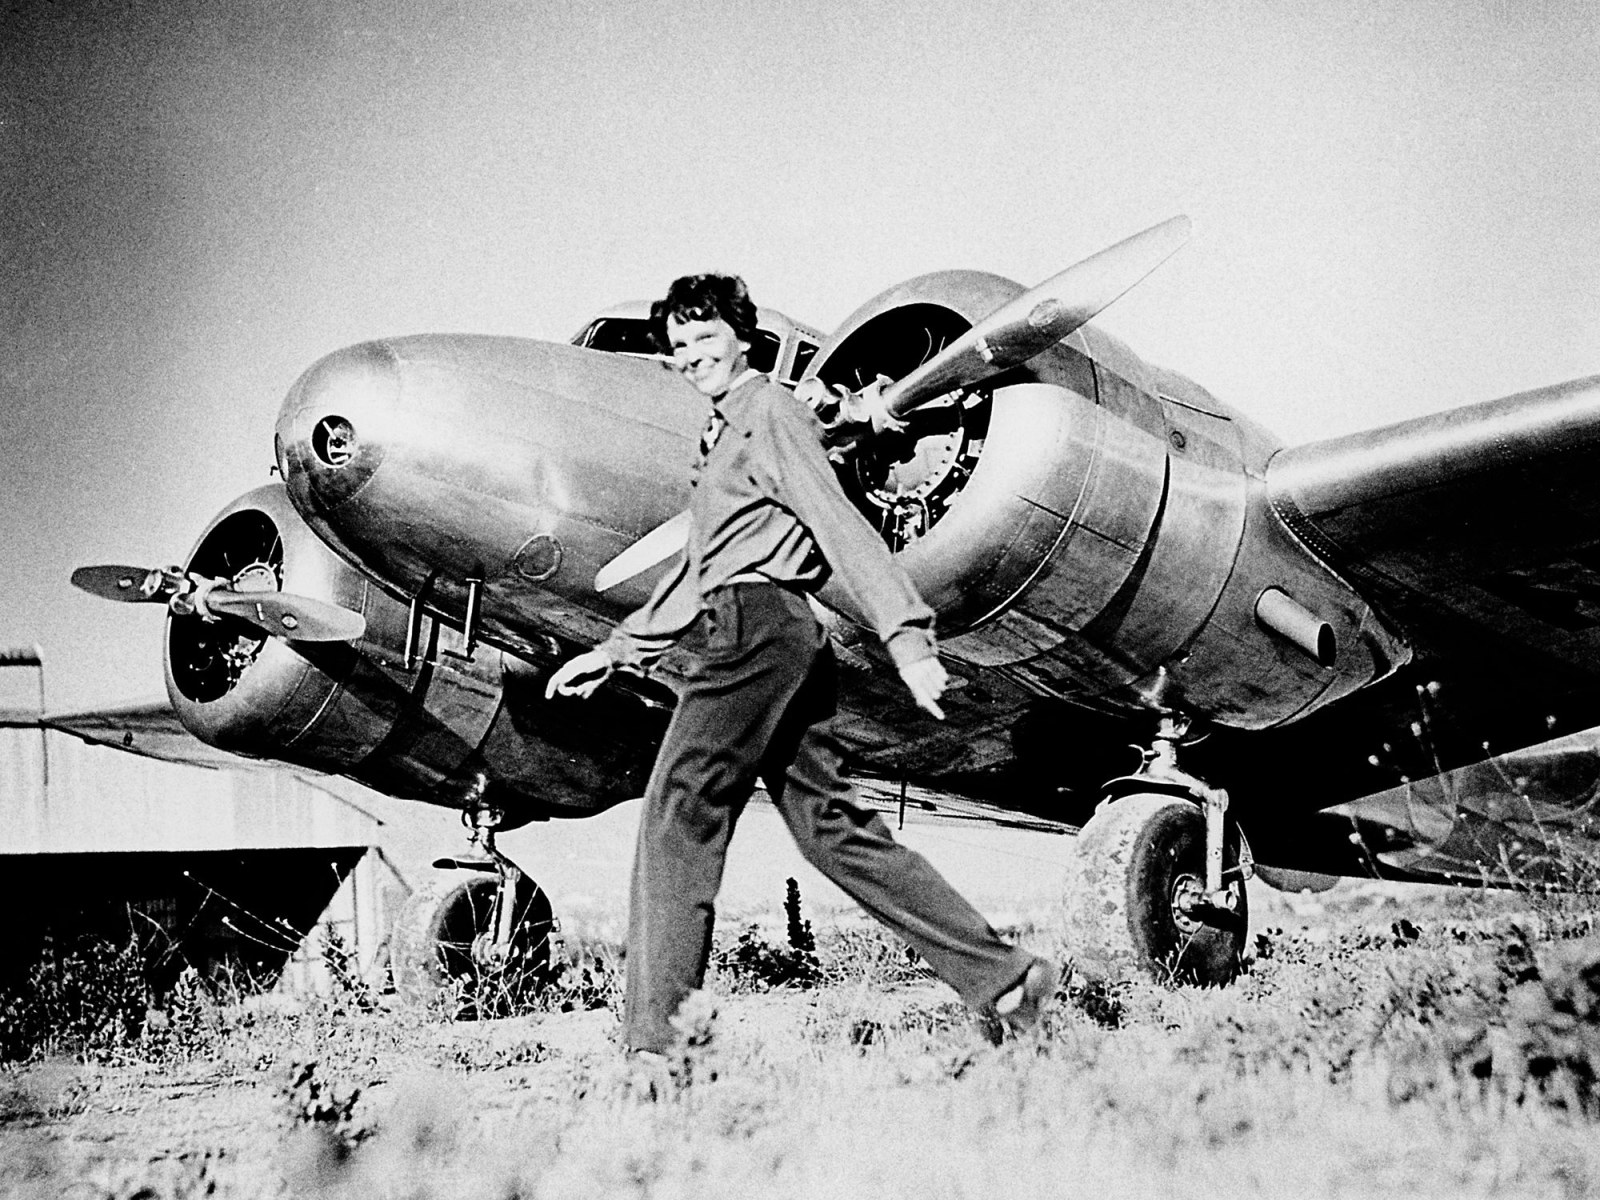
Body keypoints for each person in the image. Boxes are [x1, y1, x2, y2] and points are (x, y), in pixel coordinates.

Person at [546, 274, 1055, 1054]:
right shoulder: (725, 433)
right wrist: (619, 652)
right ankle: (1005, 979)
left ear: (741, 340)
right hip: (768, 632)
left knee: (680, 813)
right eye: (679, 348)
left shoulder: (772, 413)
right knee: (831, 828)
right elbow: (699, 565)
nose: (693, 358)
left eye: (706, 341)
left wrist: (907, 637)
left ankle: (659, 1046)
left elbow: (838, 521)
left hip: (757, 630)